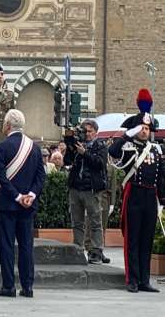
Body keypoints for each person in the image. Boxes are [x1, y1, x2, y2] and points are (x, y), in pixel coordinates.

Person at [108, 89, 162, 293]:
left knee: (146, 239)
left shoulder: (156, 150)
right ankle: (132, 279)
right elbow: (112, 152)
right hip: (134, 196)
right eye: (141, 127)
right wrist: (125, 135)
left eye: (148, 128)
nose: (145, 130)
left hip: (150, 197)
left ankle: (145, 280)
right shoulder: (129, 146)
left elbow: (161, 177)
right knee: (133, 239)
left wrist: (161, 201)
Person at [0, 109, 45, 298]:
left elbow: (1, 177)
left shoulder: (1, 147)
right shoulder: (35, 148)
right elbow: (41, 177)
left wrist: (16, 197)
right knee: (26, 246)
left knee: (6, 246)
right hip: (28, 205)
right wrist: (29, 195)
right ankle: (27, 286)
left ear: (7, 126)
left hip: (8, 204)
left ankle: (8, 286)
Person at [63, 119, 108, 264]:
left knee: (95, 221)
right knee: (77, 221)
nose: (87, 134)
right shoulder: (78, 144)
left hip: (91, 189)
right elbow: (67, 162)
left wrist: (85, 153)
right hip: (76, 187)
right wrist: (71, 149)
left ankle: (96, 251)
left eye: (90, 131)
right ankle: (78, 248)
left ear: (96, 132)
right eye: (85, 131)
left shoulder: (100, 146)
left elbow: (99, 164)